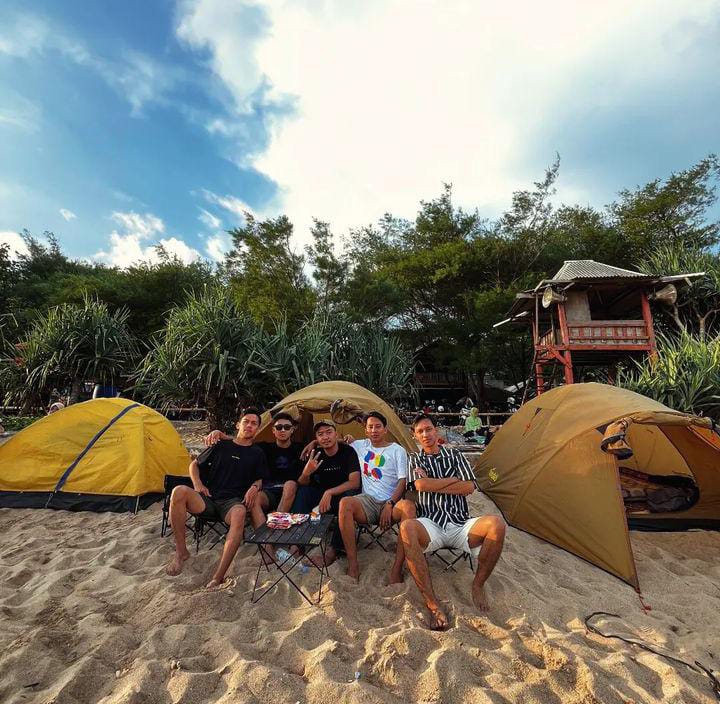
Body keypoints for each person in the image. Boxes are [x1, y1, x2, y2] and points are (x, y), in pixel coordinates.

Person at [391, 413, 506, 630]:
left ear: (437, 431)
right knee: (407, 527)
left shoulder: (455, 455)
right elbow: (420, 487)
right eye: (420, 432)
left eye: (429, 429)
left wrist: (432, 482)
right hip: (430, 523)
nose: (426, 434)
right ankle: (433, 604)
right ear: (415, 436)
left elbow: (469, 487)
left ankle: (478, 584)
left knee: (497, 525)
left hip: (460, 522)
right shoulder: (414, 459)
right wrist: (453, 481)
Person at [166, 408, 269, 588]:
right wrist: (197, 483)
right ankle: (181, 552)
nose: (250, 426)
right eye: (246, 421)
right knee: (179, 491)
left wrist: (255, 486)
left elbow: (260, 477)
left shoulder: (257, 453)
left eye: (254, 423)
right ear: (238, 424)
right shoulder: (221, 445)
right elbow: (194, 465)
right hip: (208, 497)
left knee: (239, 513)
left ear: (258, 429)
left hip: (232, 502)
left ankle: (218, 576)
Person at [333, 411, 415, 580]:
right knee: (345, 503)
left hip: (392, 501)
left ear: (385, 429)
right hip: (367, 502)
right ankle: (353, 563)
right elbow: (334, 442)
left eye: (378, 426)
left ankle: (397, 568)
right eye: (370, 427)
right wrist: (312, 444)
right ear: (365, 430)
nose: (374, 430)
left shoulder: (396, 450)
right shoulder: (359, 445)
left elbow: (402, 481)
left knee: (408, 507)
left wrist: (391, 503)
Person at [205, 411, 302, 514]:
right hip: (268, 491)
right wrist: (220, 434)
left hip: (291, 491)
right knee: (253, 499)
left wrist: (314, 443)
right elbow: (242, 443)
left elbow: (320, 443)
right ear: (273, 430)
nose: (282, 430)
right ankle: (266, 530)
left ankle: (278, 521)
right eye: (279, 427)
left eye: (287, 427)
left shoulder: (301, 448)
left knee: (290, 484)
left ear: (292, 429)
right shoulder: (263, 448)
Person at [295, 419, 361, 565]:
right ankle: (298, 542)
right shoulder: (315, 454)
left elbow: (354, 482)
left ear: (336, 434)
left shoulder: (348, 452)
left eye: (329, 432)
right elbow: (302, 482)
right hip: (322, 499)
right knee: (303, 492)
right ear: (316, 439)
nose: (325, 437)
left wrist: (329, 492)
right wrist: (306, 473)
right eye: (320, 434)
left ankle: (333, 550)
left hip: (342, 496)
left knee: (347, 499)